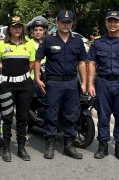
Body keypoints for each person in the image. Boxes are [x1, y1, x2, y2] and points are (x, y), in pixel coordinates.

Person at [34, 10, 87, 160]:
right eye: (63, 22)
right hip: (54, 83)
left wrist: (84, 82)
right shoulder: (48, 40)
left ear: (72, 23)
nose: (65, 24)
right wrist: (38, 79)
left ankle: (69, 145)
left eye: (68, 22)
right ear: (57, 23)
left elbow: (82, 62)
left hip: (71, 83)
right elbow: (37, 60)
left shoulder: (77, 40)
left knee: (71, 114)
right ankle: (50, 144)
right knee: (51, 113)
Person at [87, 11, 119, 160]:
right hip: (102, 83)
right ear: (106, 23)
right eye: (110, 21)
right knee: (103, 116)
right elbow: (92, 63)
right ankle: (102, 145)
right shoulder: (98, 42)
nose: (113, 24)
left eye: (116, 21)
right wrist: (90, 84)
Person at [0, 16, 35, 162]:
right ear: (9, 29)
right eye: (14, 26)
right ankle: (6, 148)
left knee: (23, 118)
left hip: (24, 85)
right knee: (7, 118)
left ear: (22, 28)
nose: (17, 29)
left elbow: (31, 63)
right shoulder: (1, 45)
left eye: (19, 26)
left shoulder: (29, 44)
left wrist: (21, 75)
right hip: (6, 85)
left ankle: (21, 148)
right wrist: (2, 72)